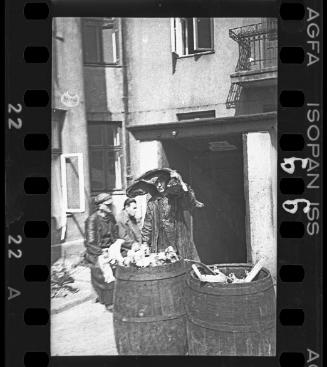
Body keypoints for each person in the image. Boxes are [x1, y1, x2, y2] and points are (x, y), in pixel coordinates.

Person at [141, 171, 202, 261]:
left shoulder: (176, 198)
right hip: (159, 242)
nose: (159, 185)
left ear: (166, 182)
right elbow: (148, 223)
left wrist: (183, 186)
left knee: (182, 263)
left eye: (161, 182)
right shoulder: (152, 202)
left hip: (177, 239)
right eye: (156, 183)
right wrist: (145, 242)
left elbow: (189, 203)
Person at [84, 193, 120, 311]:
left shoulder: (110, 218)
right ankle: (109, 302)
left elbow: (115, 235)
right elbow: (90, 243)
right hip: (97, 252)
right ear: (100, 206)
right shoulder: (92, 220)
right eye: (107, 205)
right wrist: (101, 251)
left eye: (110, 204)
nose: (110, 207)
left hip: (110, 249)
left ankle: (121, 296)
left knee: (125, 263)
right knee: (107, 271)